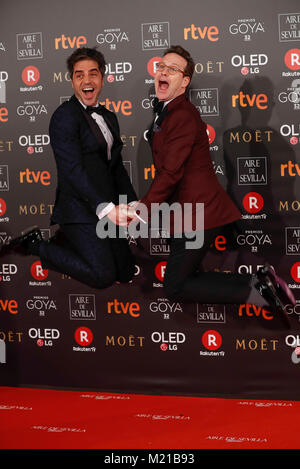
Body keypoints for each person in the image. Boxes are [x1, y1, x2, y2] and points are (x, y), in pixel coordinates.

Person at [128, 45, 295, 319]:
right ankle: (259, 286)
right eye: (161, 66)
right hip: (189, 215)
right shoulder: (170, 112)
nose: (163, 72)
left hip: (198, 216)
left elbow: (170, 173)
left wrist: (140, 210)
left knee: (175, 286)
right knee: (181, 281)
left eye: (173, 69)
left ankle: (256, 290)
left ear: (184, 81)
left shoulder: (181, 115)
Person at [2, 47, 137, 288]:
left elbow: (116, 168)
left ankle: (66, 241)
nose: (87, 80)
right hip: (79, 208)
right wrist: (105, 208)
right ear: (72, 81)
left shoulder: (109, 117)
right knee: (103, 275)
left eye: (93, 74)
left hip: (107, 206)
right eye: (79, 75)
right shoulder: (64, 117)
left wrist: (133, 203)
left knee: (125, 272)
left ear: (102, 79)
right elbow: (72, 170)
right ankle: (36, 244)